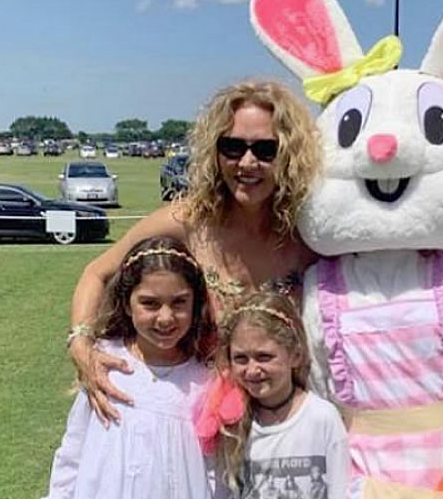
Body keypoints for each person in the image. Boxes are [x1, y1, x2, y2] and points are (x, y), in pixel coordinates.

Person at [67, 80, 322, 426]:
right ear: (215, 153)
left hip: (290, 424)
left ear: (289, 154)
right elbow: (96, 273)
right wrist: (81, 343)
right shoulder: (187, 221)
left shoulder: (311, 234)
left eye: (266, 150)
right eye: (232, 147)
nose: (247, 163)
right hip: (200, 424)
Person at [34, 236, 232, 499]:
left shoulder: (206, 379)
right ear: (127, 303)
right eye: (150, 303)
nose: (166, 318)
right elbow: (74, 448)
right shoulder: (105, 365)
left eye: (179, 302)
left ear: (196, 303)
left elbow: (217, 472)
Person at [206, 292, 349, 499]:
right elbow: (221, 495)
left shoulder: (322, 417)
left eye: (264, 357)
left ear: (294, 355)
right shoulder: (234, 421)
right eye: (241, 359)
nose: (252, 369)